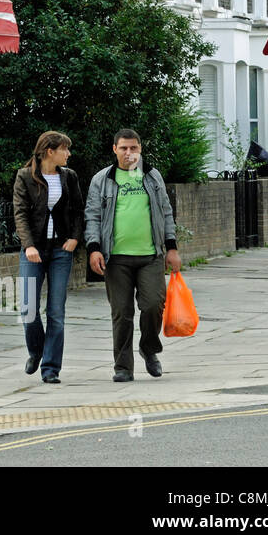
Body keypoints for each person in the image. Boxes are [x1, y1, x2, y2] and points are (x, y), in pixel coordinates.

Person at [84, 129, 182, 382]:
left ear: (140, 149)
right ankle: (123, 367)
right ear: (114, 149)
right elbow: (93, 216)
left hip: (151, 255)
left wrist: (171, 248)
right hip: (116, 258)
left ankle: (149, 349)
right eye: (124, 148)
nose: (129, 153)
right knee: (122, 312)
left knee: (153, 305)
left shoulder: (151, 176)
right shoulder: (102, 179)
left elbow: (166, 212)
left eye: (134, 148)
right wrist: (94, 248)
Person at [12, 131, 84, 384]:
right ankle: (36, 351)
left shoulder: (69, 176)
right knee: (28, 308)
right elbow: (20, 213)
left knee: (56, 311)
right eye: (65, 149)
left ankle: (51, 368)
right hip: (34, 250)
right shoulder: (25, 176)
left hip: (60, 250)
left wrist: (75, 238)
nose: (69, 154)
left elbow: (77, 210)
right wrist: (28, 245)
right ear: (50, 151)